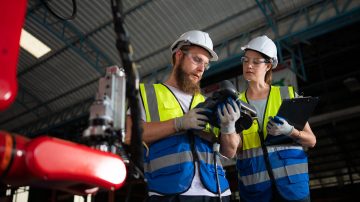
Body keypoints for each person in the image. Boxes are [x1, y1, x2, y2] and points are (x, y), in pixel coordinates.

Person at [125, 30, 241, 202]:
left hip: (218, 193)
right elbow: (130, 135)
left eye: (206, 64)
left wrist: (229, 128)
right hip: (170, 193)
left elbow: (230, 152)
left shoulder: (207, 102)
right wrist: (178, 123)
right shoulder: (148, 94)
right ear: (179, 56)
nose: (202, 69)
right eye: (197, 60)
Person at [234, 35, 317, 202]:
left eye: (256, 61)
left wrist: (291, 131)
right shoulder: (236, 103)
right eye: (245, 60)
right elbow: (235, 148)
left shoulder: (287, 95)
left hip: (292, 187)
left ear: (268, 66)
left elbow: (311, 141)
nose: (249, 65)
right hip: (255, 189)